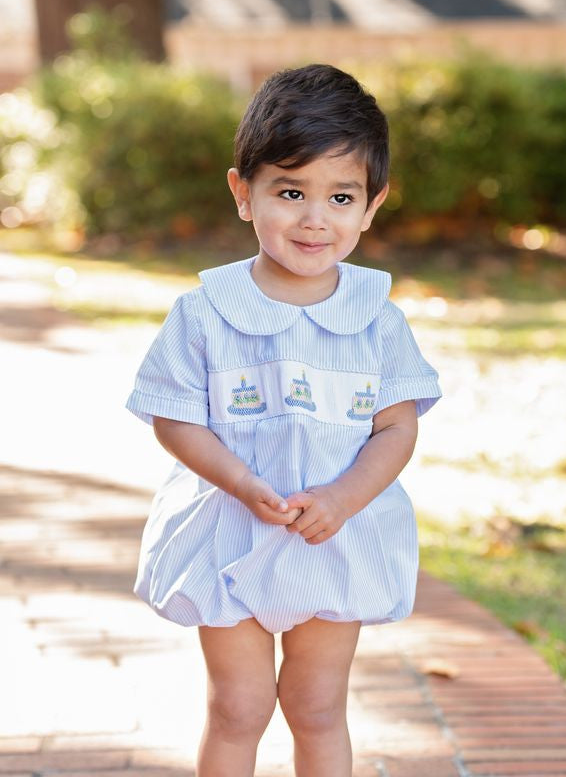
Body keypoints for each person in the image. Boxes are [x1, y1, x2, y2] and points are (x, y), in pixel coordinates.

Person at [125, 63, 442, 777]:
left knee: (317, 705)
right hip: (231, 531)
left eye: (340, 197)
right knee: (238, 707)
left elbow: (397, 428)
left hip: (333, 537)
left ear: (371, 206)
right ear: (244, 193)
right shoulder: (205, 313)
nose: (314, 218)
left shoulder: (377, 322)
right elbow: (174, 419)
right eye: (290, 191)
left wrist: (342, 498)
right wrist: (239, 481)